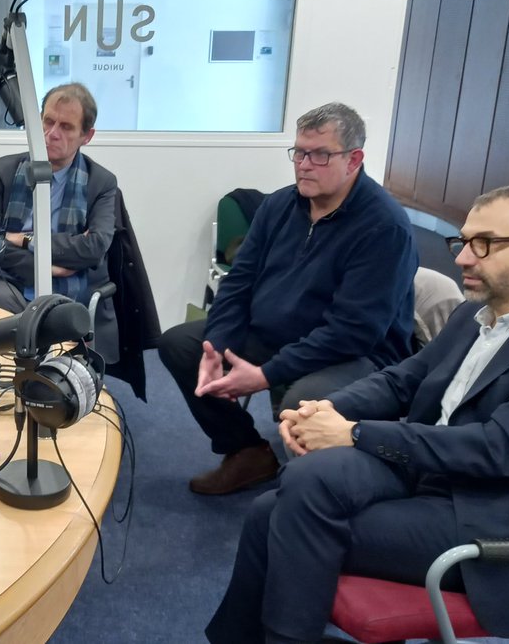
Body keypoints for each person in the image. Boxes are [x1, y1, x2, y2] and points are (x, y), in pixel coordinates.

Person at [207, 185, 509, 643]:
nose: (463, 258)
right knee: (287, 494)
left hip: (496, 513)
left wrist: (354, 433)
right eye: (462, 241)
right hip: (432, 472)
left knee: (282, 514)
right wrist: (324, 409)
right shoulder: (475, 315)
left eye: (484, 244)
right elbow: (402, 380)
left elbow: (499, 448)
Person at [158, 102, 418, 495]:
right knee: (181, 345)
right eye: (299, 152)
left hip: (357, 355)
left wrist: (265, 374)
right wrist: (217, 346)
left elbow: (353, 332)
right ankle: (247, 452)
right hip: (278, 332)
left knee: (302, 401)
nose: (304, 165)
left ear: (354, 160)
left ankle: (308, 499)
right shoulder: (280, 205)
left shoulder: (384, 226)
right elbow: (238, 282)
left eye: (320, 155)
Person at [0, 82, 122, 359]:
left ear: (86, 136)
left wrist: (22, 239)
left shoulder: (101, 182)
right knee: (2, 302)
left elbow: (94, 248)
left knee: (53, 321)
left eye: (66, 127)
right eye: (48, 121)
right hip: (9, 283)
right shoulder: (2, 172)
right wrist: (45, 267)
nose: (52, 134)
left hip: (71, 291)